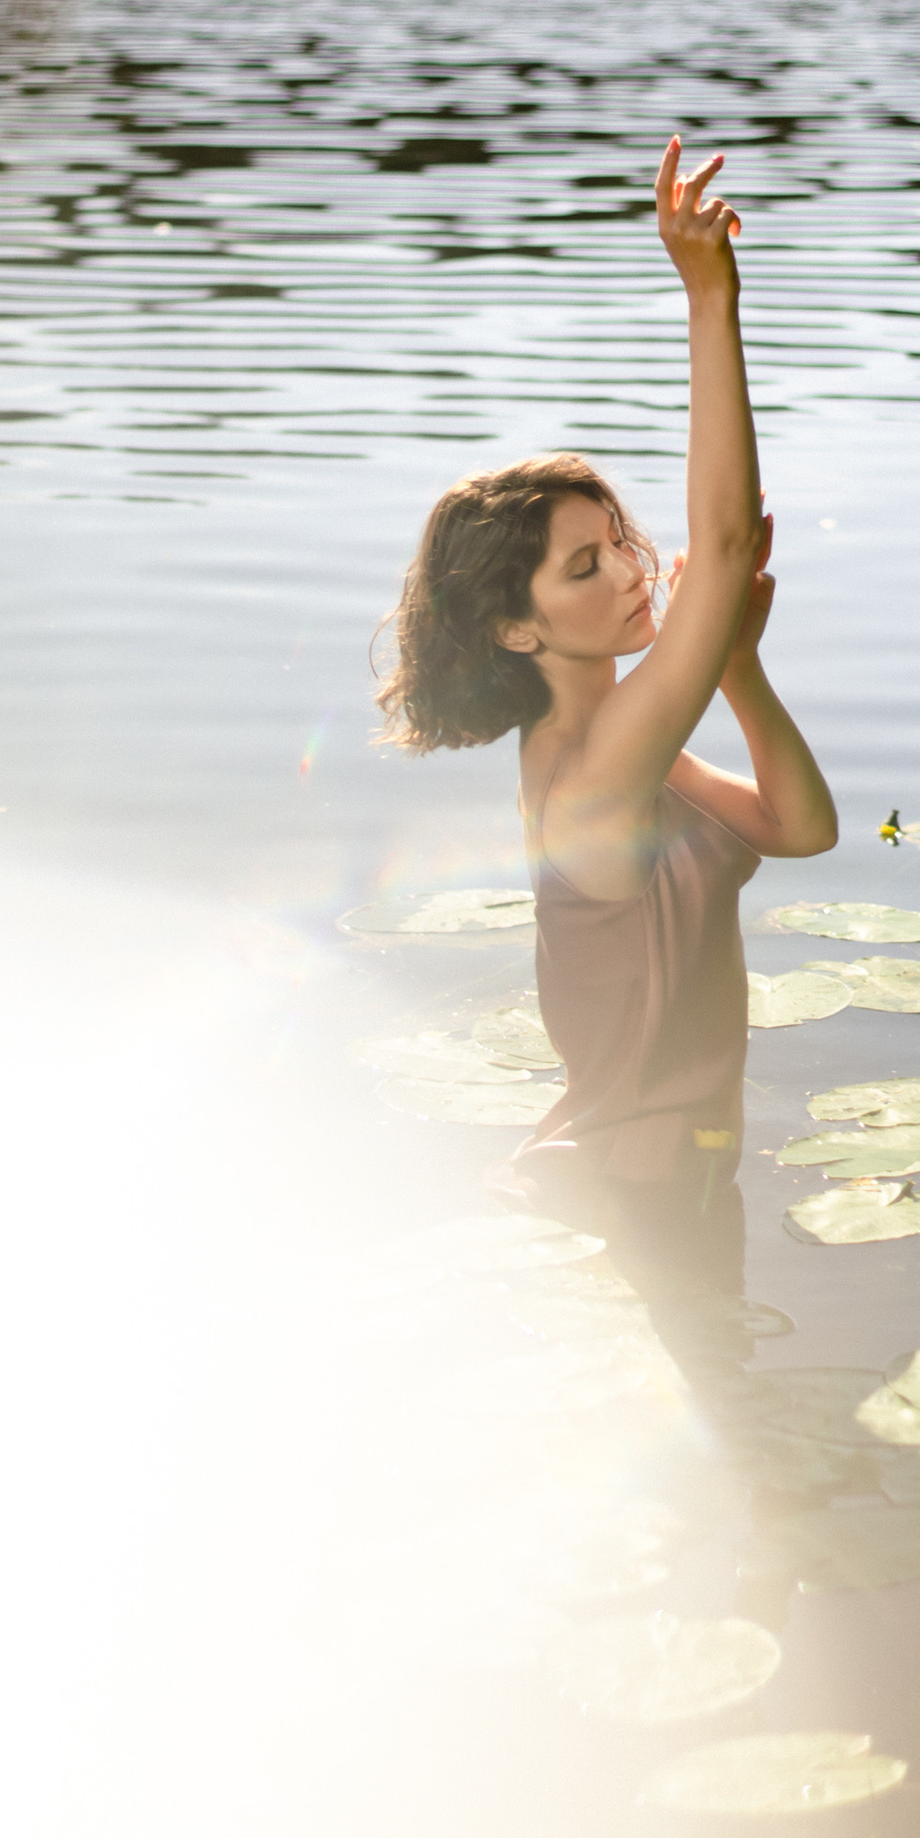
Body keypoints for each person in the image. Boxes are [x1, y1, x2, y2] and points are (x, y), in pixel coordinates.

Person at [377, 139, 837, 1287]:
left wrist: (734, 666)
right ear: (514, 629)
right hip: (630, 1209)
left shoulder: (627, 754)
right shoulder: (592, 779)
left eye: (621, 543)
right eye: (586, 568)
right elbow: (724, 545)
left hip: (667, 1187)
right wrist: (708, 296)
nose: (634, 573)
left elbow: (800, 828)